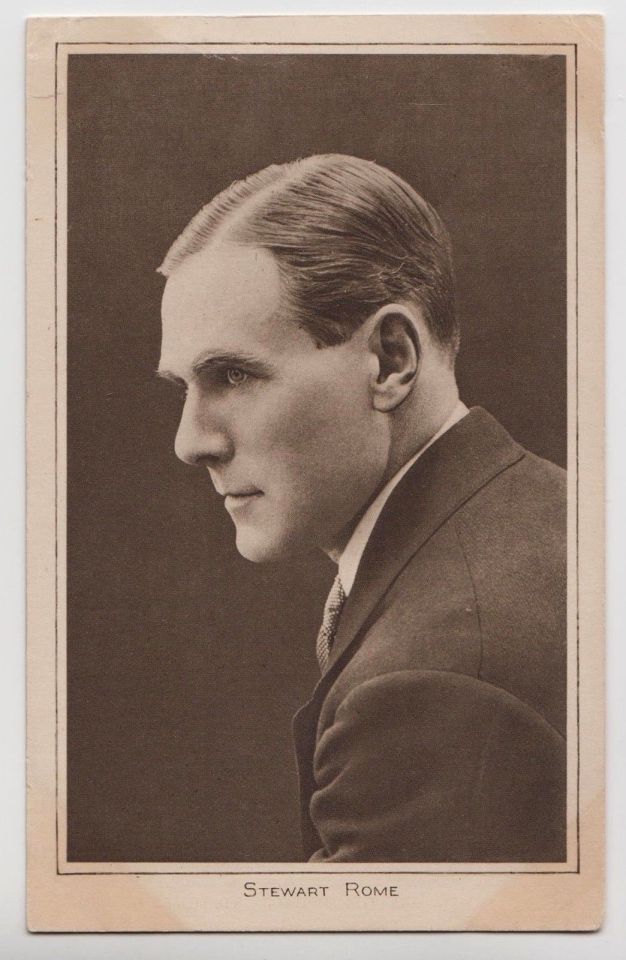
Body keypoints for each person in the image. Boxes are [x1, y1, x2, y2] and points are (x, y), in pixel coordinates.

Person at [157, 154, 566, 863]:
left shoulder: (428, 685)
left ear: (390, 360)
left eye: (233, 374)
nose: (191, 442)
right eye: (182, 387)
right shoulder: (555, 509)